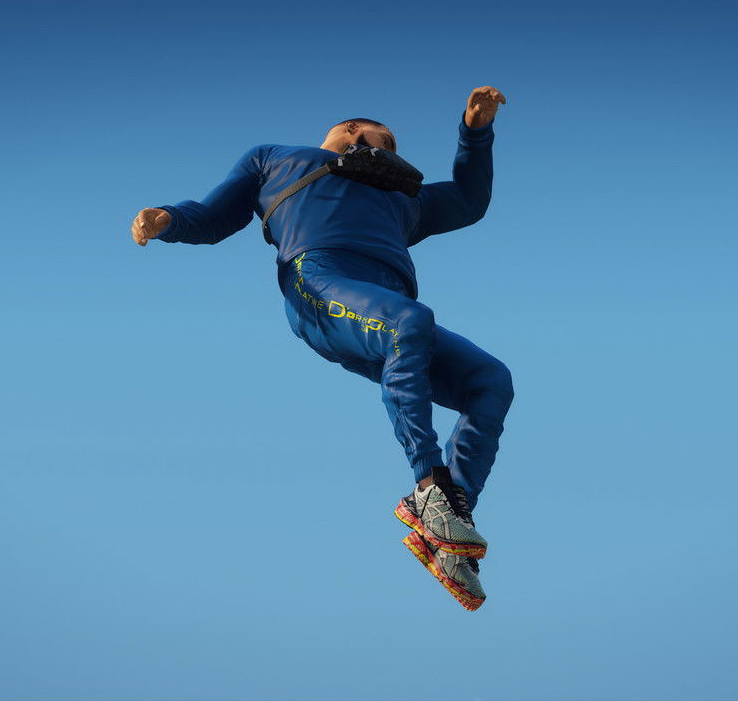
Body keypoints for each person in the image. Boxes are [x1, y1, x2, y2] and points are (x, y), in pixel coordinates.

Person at [130, 86, 513, 611]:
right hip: (319, 282)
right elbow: (214, 216)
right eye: (386, 139)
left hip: (385, 312)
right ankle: (429, 487)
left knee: (490, 379)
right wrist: (166, 219)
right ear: (353, 130)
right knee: (409, 321)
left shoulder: (404, 197)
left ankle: (447, 532)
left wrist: (476, 131)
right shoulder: (275, 158)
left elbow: (469, 202)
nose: (393, 150)